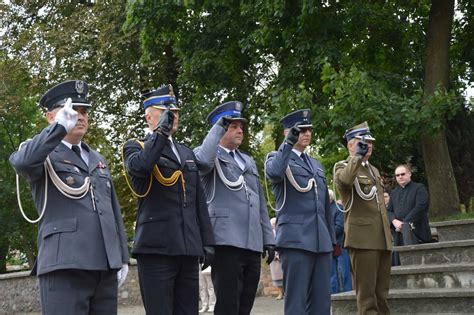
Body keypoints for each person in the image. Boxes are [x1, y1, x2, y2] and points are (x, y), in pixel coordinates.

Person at [9, 80, 130, 315]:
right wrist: (58, 130)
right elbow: (22, 163)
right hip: (64, 265)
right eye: (73, 111)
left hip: (104, 266)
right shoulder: (41, 153)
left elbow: (113, 210)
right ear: (51, 116)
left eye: (84, 111)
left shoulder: (97, 159)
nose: (80, 116)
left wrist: (122, 256)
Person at [122, 85, 215, 314]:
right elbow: (142, 167)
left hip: (187, 247)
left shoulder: (186, 153)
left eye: (174, 110)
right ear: (148, 116)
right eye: (164, 110)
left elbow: (198, 201)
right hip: (157, 249)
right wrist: (160, 134)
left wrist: (207, 241)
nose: (172, 115)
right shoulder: (136, 147)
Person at [193, 101, 275, 315]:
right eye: (233, 126)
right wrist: (218, 127)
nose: (240, 130)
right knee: (228, 306)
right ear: (219, 129)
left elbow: (260, 204)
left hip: (251, 242)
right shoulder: (209, 156)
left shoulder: (247, 160)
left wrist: (268, 238)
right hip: (226, 241)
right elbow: (201, 160)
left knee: (245, 305)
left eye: (242, 126)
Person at [265, 109, 336, 315]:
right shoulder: (276, 158)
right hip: (296, 240)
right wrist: (287, 143)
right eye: (300, 130)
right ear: (288, 132)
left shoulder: (315, 164)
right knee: (296, 302)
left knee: (322, 302)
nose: (306, 133)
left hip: (320, 240)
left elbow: (324, 207)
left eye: (308, 130)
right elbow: (275, 173)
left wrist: (331, 240)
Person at [334, 121, 392, 315]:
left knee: (382, 295)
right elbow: (344, 182)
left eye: (370, 142)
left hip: (381, 237)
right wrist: (356, 157)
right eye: (363, 141)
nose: (368, 145)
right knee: (367, 298)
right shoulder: (343, 167)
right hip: (362, 239)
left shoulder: (373, 170)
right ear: (351, 144)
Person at [388, 164, 431, 265]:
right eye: (397, 175)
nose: (400, 177)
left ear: (410, 174)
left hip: (417, 231)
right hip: (398, 233)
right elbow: (389, 211)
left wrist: (405, 223)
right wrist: (394, 221)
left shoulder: (419, 188)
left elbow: (421, 206)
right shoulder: (394, 193)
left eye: (403, 174)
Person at [328, 189, 352, 294]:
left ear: (330, 197)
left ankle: (348, 293)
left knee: (344, 271)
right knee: (332, 273)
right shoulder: (324, 210)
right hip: (329, 245)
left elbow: (339, 227)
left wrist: (324, 233)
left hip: (339, 244)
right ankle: (334, 294)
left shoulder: (338, 209)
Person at [269, 217, 284, 300]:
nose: (274, 225)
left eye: (275, 223)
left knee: (285, 276)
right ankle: (280, 293)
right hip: (274, 259)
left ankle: (284, 293)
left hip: (281, 256)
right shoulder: (270, 233)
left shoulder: (280, 232)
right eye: (273, 224)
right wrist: (274, 255)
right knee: (277, 278)